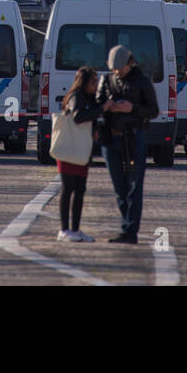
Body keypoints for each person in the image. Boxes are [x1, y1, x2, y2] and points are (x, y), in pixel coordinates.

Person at [97, 45, 158, 244]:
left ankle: (130, 231)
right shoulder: (106, 80)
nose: (117, 72)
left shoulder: (142, 81)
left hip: (134, 137)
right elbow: (97, 104)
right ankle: (126, 225)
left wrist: (132, 108)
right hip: (111, 138)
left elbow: (153, 110)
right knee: (119, 187)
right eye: (113, 69)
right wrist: (106, 106)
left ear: (130, 63)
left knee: (134, 186)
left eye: (120, 68)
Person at [56, 66, 109, 242]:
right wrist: (102, 109)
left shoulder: (89, 98)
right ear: (84, 82)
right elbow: (78, 117)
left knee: (80, 190)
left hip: (82, 149)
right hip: (69, 148)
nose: (95, 85)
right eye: (93, 82)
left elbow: (91, 117)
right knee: (68, 188)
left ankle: (76, 229)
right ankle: (64, 230)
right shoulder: (75, 96)